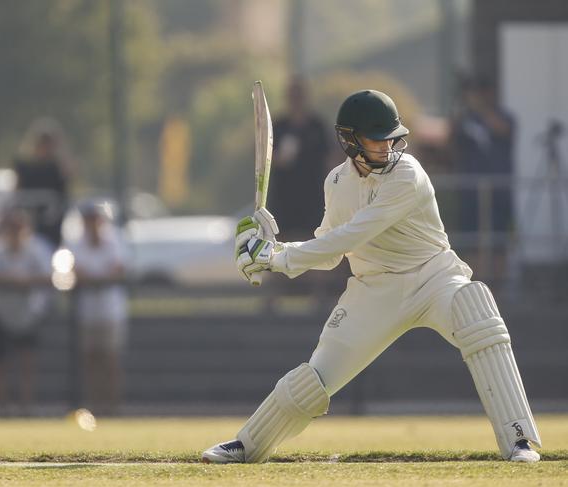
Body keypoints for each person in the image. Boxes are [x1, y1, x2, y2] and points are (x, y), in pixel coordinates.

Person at [202, 90, 541, 463]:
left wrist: (277, 257)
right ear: (350, 141)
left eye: (391, 137)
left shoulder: (407, 174)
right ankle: (247, 445)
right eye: (378, 139)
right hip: (373, 290)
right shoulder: (336, 183)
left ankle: (519, 440)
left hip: (434, 276)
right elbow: (330, 251)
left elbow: (354, 234)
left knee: (476, 309)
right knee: (313, 380)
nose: (389, 146)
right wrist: (274, 250)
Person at [0, 208, 52, 416]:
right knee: (0, 362)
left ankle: (26, 407)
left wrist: (25, 281)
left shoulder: (38, 251)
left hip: (28, 314)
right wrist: (9, 280)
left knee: (27, 361)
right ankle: (3, 408)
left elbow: (50, 278)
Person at [450, 76, 515, 278]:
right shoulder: (465, 119)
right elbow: (450, 144)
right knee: (472, 240)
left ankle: (498, 289)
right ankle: (475, 286)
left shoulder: (506, 117)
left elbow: (503, 129)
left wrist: (481, 110)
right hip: (470, 190)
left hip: (499, 190)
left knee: (498, 241)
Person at [67, 201, 127, 415]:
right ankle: (94, 405)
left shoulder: (113, 242)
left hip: (110, 310)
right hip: (87, 311)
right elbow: (77, 272)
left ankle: (112, 405)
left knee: (110, 359)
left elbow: (117, 270)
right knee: (90, 360)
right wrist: (99, 278)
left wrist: (95, 279)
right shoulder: (76, 244)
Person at [268, 77, 330, 242]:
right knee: (279, 252)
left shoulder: (317, 127)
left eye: (299, 96)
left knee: (314, 251)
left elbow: (330, 158)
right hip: (283, 202)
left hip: (313, 201)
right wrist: (278, 159)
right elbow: (263, 159)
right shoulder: (279, 126)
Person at [14, 117, 75, 249]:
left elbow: (67, 185)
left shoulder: (57, 170)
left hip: (50, 231)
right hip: (26, 230)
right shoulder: (25, 168)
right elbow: (17, 195)